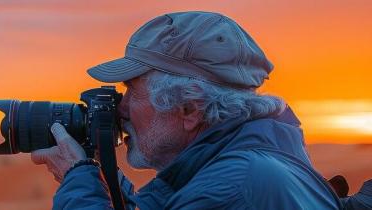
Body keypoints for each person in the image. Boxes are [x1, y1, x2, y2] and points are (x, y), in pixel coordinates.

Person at [30, 11, 343, 209]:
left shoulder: (232, 189)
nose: (120, 109)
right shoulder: (253, 158)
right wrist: (99, 176)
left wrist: (78, 179)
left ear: (189, 109)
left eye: (132, 91)